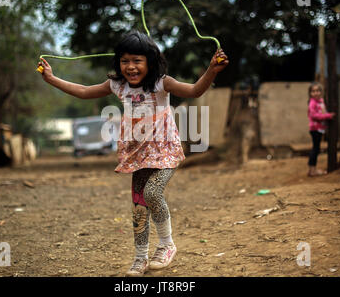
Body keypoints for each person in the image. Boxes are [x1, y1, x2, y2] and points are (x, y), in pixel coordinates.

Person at [37, 30, 229, 276]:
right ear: (118, 62)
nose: (131, 67)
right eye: (125, 61)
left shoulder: (162, 83)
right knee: (139, 207)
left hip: (165, 151)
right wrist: (52, 79)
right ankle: (140, 258)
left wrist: (212, 70)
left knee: (151, 192)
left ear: (150, 61)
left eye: (137, 61)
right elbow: (84, 91)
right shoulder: (117, 85)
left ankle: (167, 245)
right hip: (137, 154)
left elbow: (193, 91)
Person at [307, 82, 335, 177]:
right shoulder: (312, 103)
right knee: (315, 149)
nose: (316, 93)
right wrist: (328, 116)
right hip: (315, 129)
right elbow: (314, 115)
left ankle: (312, 169)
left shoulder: (321, 101)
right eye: (313, 91)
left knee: (316, 148)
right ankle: (312, 170)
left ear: (321, 92)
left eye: (318, 90)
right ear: (310, 93)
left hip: (320, 129)